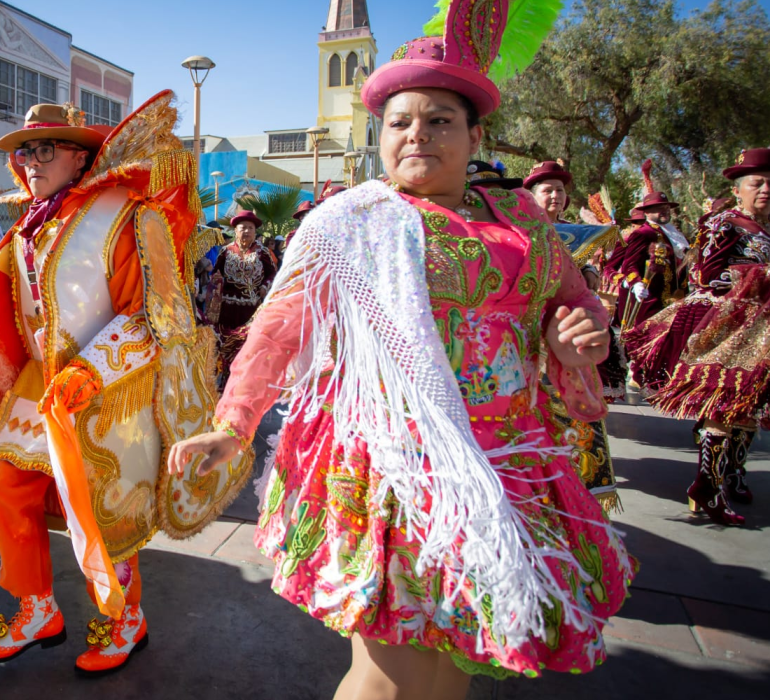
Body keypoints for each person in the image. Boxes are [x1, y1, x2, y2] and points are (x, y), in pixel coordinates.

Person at [170, 6, 633, 697]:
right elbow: (277, 330)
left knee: (452, 660)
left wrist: (582, 335)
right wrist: (233, 424)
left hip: (506, 463)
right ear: (380, 134)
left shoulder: (525, 223)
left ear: (475, 134)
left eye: (439, 120)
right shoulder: (348, 223)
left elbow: (574, 304)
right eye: (400, 122)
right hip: (395, 471)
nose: (417, 133)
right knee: (389, 675)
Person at [0, 99, 249, 671]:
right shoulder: (26, 228)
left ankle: (125, 621)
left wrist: (90, 370)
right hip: (40, 386)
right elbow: (0, 318)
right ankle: (37, 609)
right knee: (9, 487)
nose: (30, 160)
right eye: (25, 151)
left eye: (44, 148)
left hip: (109, 389)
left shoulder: (126, 215)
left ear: (79, 157)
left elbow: (155, 315)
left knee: (104, 510)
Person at [624, 147, 770, 526]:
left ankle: (733, 472)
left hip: (764, 330)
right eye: (757, 183)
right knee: (724, 406)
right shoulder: (725, 224)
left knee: (751, 408)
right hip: (730, 329)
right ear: (739, 189)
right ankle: (706, 486)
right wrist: (758, 278)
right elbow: (705, 276)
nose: (766, 189)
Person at [206, 210, 277, 382]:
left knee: (248, 344)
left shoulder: (263, 253)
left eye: (250, 228)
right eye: (242, 227)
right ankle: (227, 379)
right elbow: (216, 273)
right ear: (235, 231)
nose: (246, 231)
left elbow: (273, 275)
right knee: (225, 343)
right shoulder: (226, 251)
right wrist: (216, 280)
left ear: (255, 232)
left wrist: (266, 286)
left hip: (251, 309)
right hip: (227, 309)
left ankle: (246, 379)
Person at [614, 191, 683, 331]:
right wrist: (635, 283)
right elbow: (629, 264)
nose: (664, 211)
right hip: (652, 303)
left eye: (666, 207)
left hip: (675, 300)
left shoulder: (674, 233)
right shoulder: (643, 233)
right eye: (658, 208)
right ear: (646, 212)